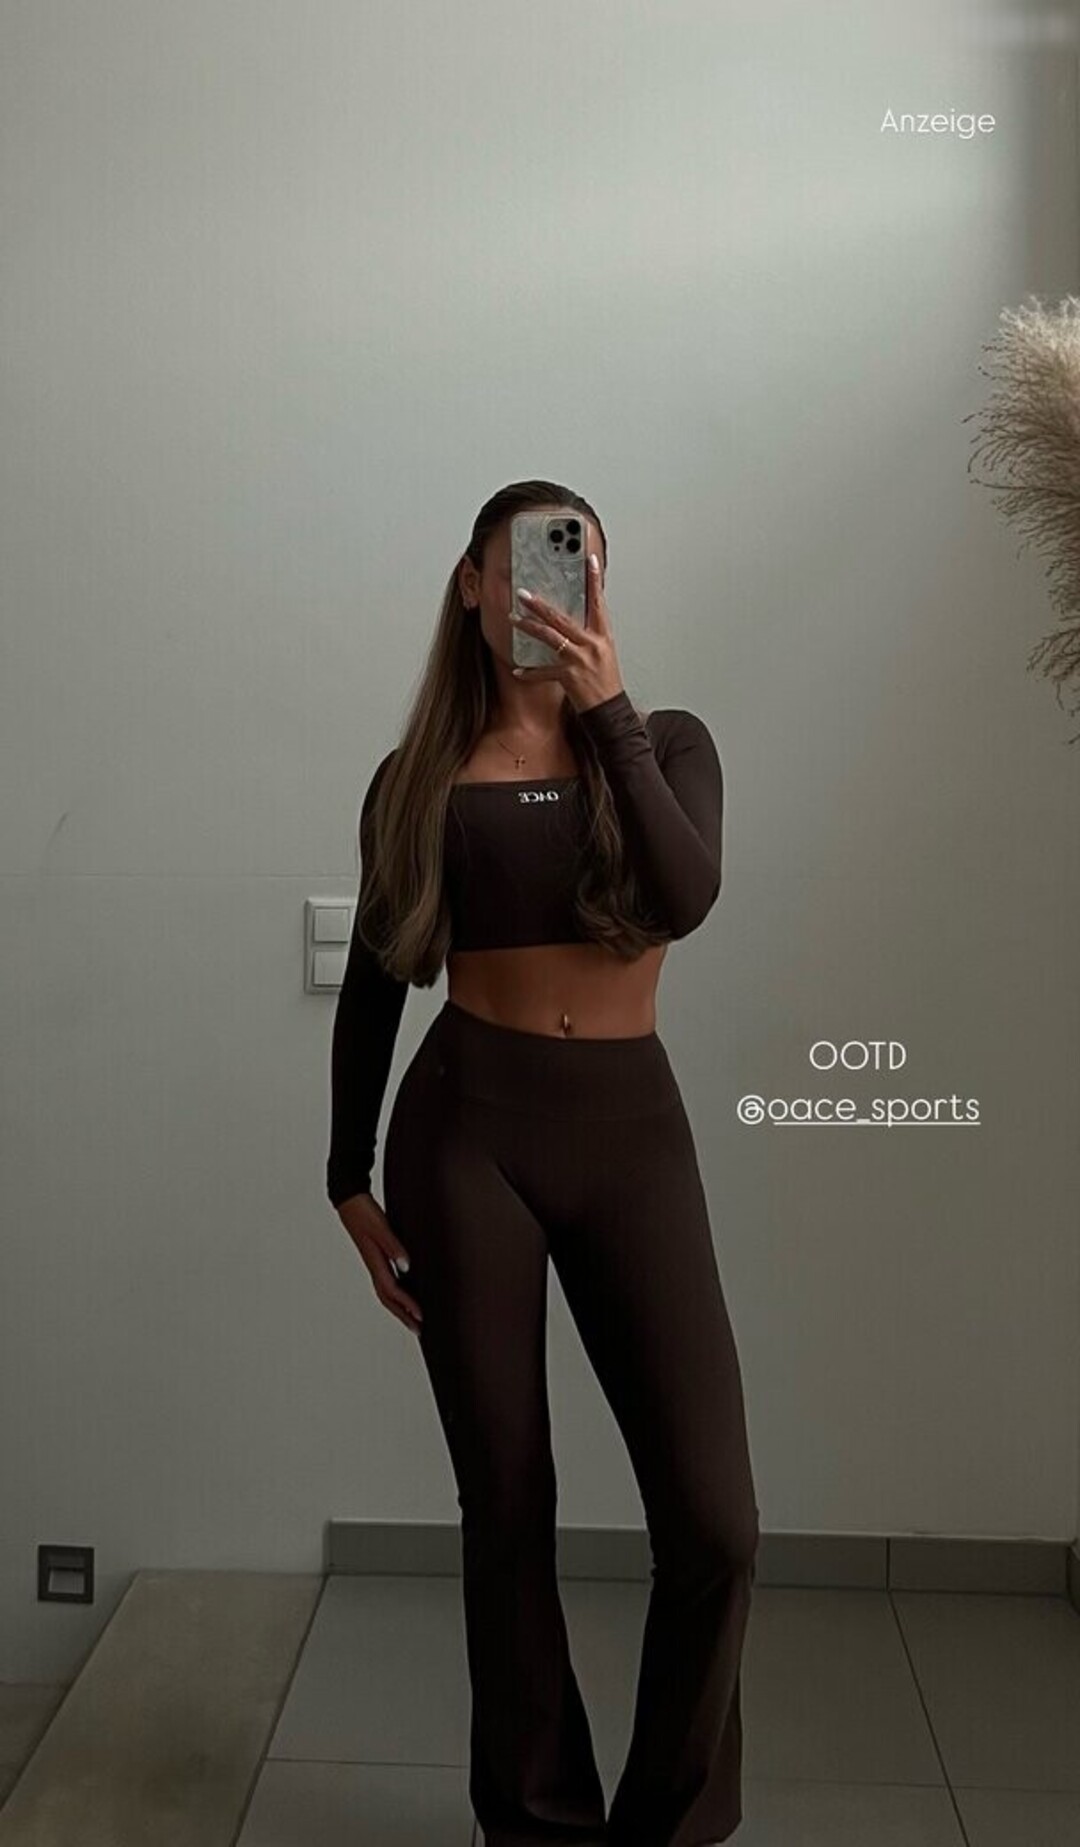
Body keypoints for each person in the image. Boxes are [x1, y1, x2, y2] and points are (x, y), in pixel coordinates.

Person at [327, 479, 760, 1846]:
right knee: (507, 1503)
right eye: (517, 565)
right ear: (470, 583)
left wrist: (606, 708)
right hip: (468, 1137)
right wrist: (345, 1176)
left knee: (716, 1521)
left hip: (630, 1135)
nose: (543, 590)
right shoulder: (416, 780)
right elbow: (377, 981)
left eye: (573, 564)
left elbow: (686, 897)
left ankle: (667, 1826)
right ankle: (535, 1824)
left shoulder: (668, 742)